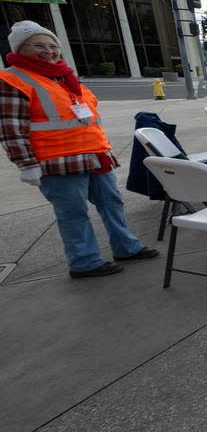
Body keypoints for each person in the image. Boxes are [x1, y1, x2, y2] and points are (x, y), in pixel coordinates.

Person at [0, 21, 159, 278]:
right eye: (38, 45)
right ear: (20, 48)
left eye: (52, 45)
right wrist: (26, 164)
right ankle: (85, 262)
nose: (48, 51)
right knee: (73, 214)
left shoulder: (65, 76)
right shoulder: (13, 79)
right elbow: (10, 128)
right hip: (57, 161)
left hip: (95, 156)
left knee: (112, 204)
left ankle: (126, 247)